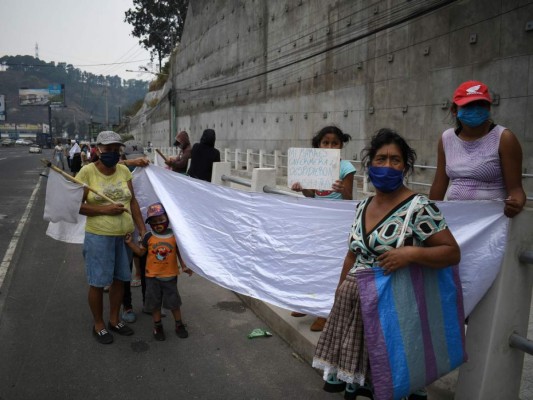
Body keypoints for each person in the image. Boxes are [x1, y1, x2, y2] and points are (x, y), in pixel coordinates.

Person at [312, 128, 461, 400]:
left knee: (392, 379)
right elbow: (351, 254)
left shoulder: (419, 207)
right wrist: (337, 295)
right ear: (370, 165)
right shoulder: (362, 206)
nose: (387, 166)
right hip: (354, 308)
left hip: (392, 312)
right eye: (381, 159)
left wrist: (411, 255)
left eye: (395, 160)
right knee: (360, 381)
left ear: (405, 167)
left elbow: (451, 252)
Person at [77, 131, 147, 344]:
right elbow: (76, 205)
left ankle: (115, 320)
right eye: (108, 149)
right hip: (99, 237)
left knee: (119, 280)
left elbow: (132, 202)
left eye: (116, 149)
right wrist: (104, 210)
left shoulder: (124, 170)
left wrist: (142, 230)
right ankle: (98, 324)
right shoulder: (86, 173)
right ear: (98, 149)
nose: (112, 153)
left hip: (124, 237)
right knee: (98, 282)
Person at [290, 126, 356, 332]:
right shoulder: (314, 165)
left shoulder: (346, 167)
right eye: (325, 142)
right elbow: (312, 195)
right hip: (318, 222)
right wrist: (302, 189)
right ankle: (308, 304)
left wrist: (342, 188)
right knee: (313, 262)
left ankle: (325, 312)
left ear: (341, 145)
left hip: (337, 225)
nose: (329, 146)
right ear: (318, 145)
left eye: (334, 143)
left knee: (332, 268)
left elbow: (349, 199)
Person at [429, 80, 526, 218]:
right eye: (468, 105)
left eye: (481, 104)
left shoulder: (504, 138)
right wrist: (429, 216)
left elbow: (516, 190)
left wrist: (516, 203)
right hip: (456, 219)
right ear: (454, 110)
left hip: (491, 221)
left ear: (488, 108)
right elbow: (438, 186)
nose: (475, 109)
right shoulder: (446, 139)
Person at [125, 202, 192, 341]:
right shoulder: (148, 237)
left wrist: (185, 266)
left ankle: (179, 324)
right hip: (152, 277)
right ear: (149, 223)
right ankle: (157, 326)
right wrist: (130, 243)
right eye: (154, 221)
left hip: (170, 276)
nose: (158, 224)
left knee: (174, 303)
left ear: (167, 219)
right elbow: (141, 252)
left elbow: (181, 253)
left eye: (161, 220)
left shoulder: (174, 236)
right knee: (154, 304)